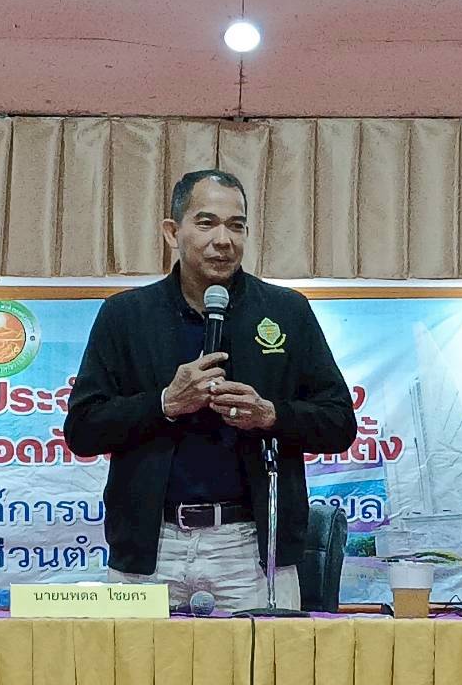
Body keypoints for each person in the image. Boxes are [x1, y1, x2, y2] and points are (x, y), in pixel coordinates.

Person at [63, 169, 357, 612]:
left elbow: (339, 423)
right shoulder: (126, 315)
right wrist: (165, 403)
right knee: (139, 660)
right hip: (151, 547)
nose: (224, 240)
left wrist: (271, 415)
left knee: (267, 660)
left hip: (251, 549)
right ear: (172, 231)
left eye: (236, 226)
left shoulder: (286, 311)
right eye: (207, 223)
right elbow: (83, 430)